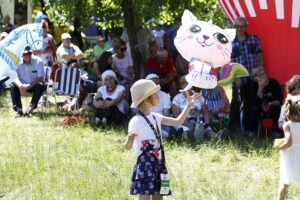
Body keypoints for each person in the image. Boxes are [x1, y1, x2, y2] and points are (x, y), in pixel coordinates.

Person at [124, 79, 199, 199]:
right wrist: (129, 140)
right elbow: (127, 147)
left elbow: (178, 121)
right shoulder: (135, 121)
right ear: (146, 99)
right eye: (155, 95)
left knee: (159, 196)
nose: (159, 97)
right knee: (144, 196)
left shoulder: (156, 117)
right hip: (145, 165)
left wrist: (189, 104)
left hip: (159, 163)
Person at [229, 17, 264, 135]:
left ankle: (249, 130)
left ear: (246, 26)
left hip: (252, 77)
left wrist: (261, 71)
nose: (240, 28)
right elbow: (232, 62)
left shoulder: (254, 39)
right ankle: (233, 129)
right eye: (238, 26)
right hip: (238, 77)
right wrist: (237, 77)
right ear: (234, 27)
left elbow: (260, 57)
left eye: (242, 26)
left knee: (252, 102)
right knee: (235, 103)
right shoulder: (232, 42)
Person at [172, 76, 216, 140]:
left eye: (189, 83)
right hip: (184, 123)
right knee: (186, 131)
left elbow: (205, 112)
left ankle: (218, 136)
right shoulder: (177, 98)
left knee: (208, 130)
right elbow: (176, 115)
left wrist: (207, 124)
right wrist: (188, 124)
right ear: (181, 86)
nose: (187, 85)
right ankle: (189, 136)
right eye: (184, 83)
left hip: (198, 122)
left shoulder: (199, 96)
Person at [274, 96, 300, 200]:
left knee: (284, 182)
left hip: (291, 156)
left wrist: (279, 147)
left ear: (287, 112)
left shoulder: (287, 125)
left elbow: (289, 142)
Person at [10, 46, 45, 117]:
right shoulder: (15, 61)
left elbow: (40, 78)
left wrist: (29, 85)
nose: (28, 55)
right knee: (12, 85)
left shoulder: (38, 61)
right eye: (25, 54)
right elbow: (13, 76)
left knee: (41, 85)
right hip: (21, 85)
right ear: (21, 55)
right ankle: (19, 110)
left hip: (33, 84)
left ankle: (30, 109)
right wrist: (20, 86)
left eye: (30, 53)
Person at [251, 67, 283, 134]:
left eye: (262, 73)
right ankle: (252, 131)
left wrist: (270, 103)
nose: (262, 76)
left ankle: (279, 132)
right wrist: (260, 87)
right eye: (258, 75)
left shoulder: (274, 83)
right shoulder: (254, 85)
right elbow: (255, 102)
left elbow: (279, 100)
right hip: (260, 108)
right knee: (254, 108)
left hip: (272, 106)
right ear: (255, 79)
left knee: (278, 109)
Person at [146, 73, 175, 138]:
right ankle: (164, 134)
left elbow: (166, 113)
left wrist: (161, 122)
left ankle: (162, 133)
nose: (155, 83)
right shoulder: (143, 96)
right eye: (153, 81)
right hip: (147, 121)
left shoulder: (165, 95)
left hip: (161, 121)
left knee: (169, 125)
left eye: (157, 81)